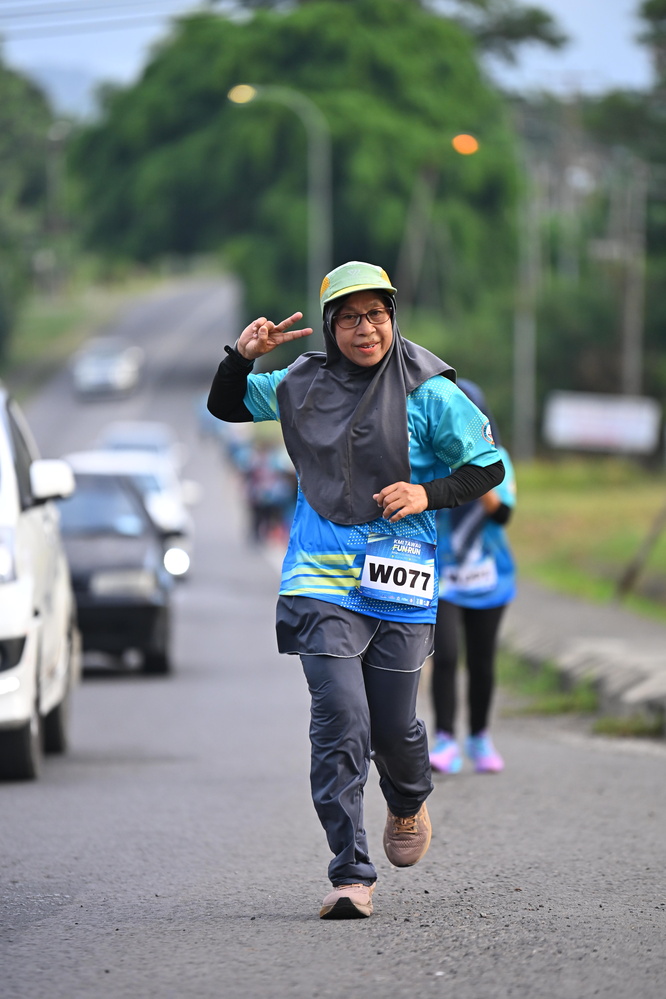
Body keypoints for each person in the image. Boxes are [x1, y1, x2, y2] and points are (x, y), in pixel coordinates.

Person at [207, 261, 505, 920]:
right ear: (330, 326)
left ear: (392, 317)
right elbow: (227, 405)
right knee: (341, 718)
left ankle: (408, 798)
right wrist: (242, 356)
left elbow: (487, 466)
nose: (364, 328)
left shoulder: (429, 390)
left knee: (393, 728)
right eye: (348, 317)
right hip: (319, 576)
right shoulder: (302, 381)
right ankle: (350, 871)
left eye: (375, 314)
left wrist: (426, 493)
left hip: (401, 576)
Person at [429, 379, 517, 776]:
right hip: (442, 576)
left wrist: (475, 474)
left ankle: (480, 737)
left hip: (489, 577)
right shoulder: (428, 457)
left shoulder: (499, 458)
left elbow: (503, 515)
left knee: (482, 661)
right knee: (446, 656)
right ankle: (445, 739)